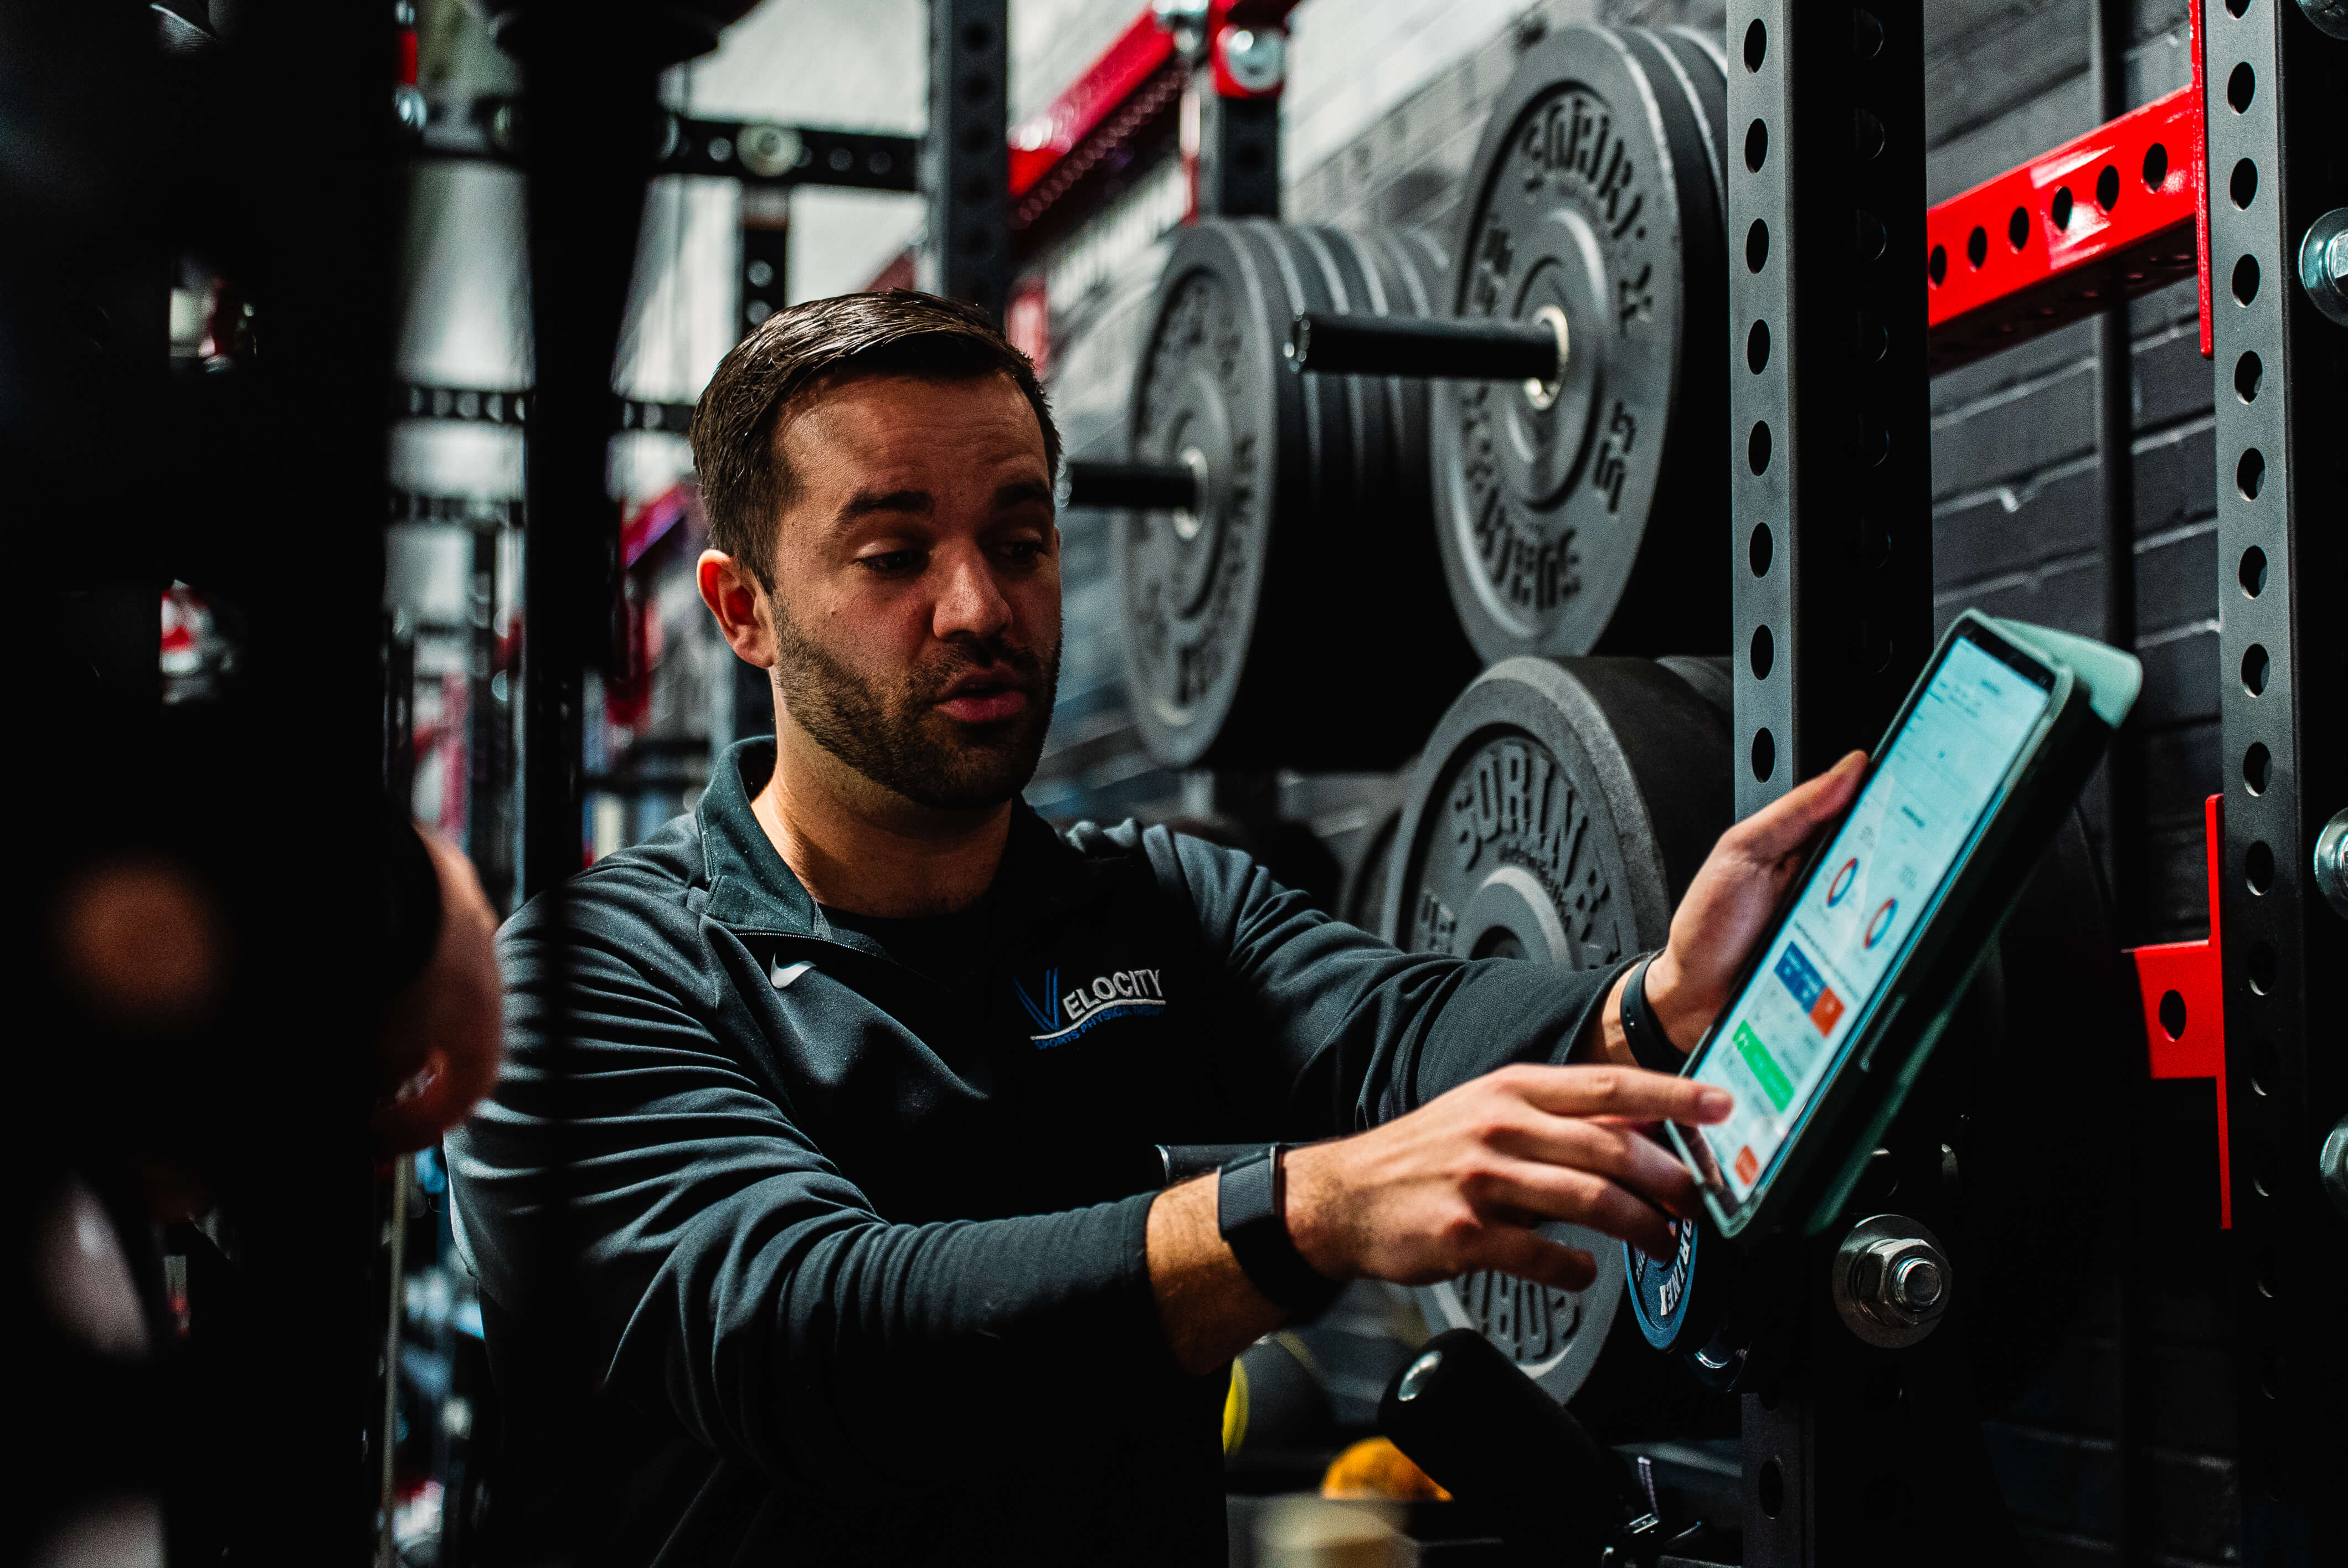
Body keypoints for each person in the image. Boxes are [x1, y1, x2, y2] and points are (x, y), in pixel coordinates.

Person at [444, 290, 1864, 1567]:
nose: (978, 607)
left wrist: (1655, 1002)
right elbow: (817, 1344)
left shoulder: (1148, 905)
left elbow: (1395, 1032)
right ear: (743, 609)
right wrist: (1304, 1209)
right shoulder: (586, 986)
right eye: (890, 557)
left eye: (1019, 540)